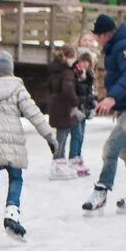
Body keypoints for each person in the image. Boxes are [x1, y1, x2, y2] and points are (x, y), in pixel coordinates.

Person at [0, 51, 57, 246]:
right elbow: (34, 113)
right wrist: (49, 136)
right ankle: (11, 217)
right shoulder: (18, 88)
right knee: (15, 179)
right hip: (12, 143)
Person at [82, 14, 126, 214]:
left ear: (107, 34)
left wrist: (113, 98)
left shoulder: (125, 48)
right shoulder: (117, 46)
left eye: (98, 35)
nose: (96, 40)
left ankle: (101, 190)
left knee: (112, 147)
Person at [47, 44, 82, 180]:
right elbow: (68, 90)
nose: (74, 61)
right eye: (73, 58)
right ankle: (57, 162)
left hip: (56, 106)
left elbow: (50, 88)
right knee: (62, 137)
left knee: (61, 135)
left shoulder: (55, 70)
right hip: (65, 108)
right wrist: (75, 101)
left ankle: (60, 161)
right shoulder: (67, 72)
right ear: (67, 57)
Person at [70, 50, 97, 177]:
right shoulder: (74, 73)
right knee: (76, 134)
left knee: (81, 135)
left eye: (87, 62)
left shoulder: (90, 75)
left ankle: (78, 157)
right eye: (83, 61)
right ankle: (73, 159)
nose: (85, 64)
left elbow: (89, 94)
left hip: (84, 109)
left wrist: (92, 106)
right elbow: (74, 91)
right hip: (76, 109)